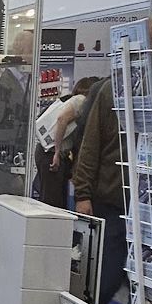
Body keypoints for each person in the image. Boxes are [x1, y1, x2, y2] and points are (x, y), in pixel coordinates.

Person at [73, 78, 152, 304]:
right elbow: (90, 145)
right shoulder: (109, 91)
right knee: (104, 281)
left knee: (150, 288)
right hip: (112, 204)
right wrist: (83, 194)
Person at [34, 76, 97, 209]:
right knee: (53, 203)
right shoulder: (81, 101)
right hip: (51, 152)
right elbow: (62, 119)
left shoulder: (70, 99)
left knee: (53, 198)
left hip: (47, 151)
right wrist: (57, 152)